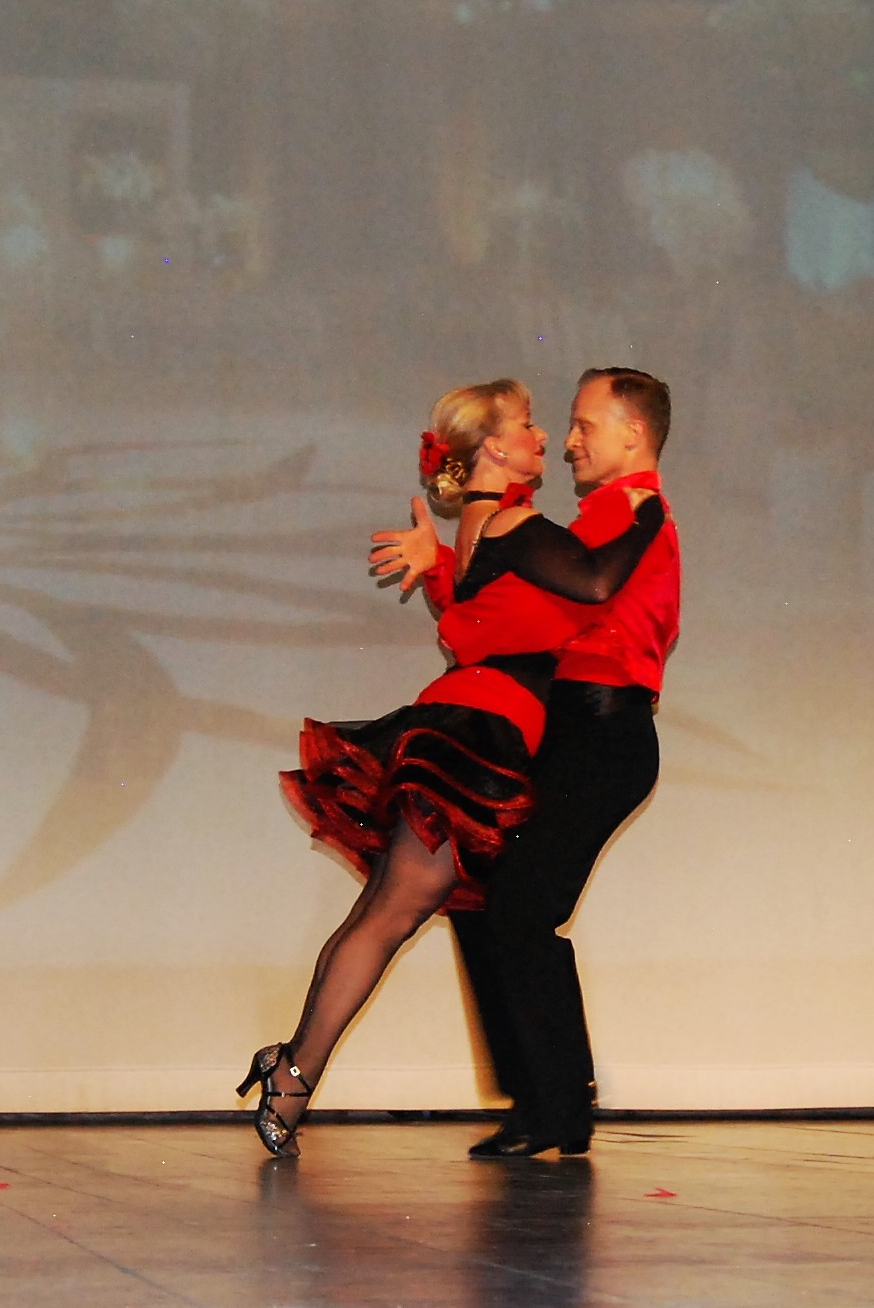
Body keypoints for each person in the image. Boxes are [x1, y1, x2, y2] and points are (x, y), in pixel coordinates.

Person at [240, 377, 665, 1158]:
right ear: (494, 446)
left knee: (409, 910)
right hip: (482, 731)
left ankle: (298, 1067)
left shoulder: (483, 521)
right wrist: (647, 513)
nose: (548, 437)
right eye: (531, 424)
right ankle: (295, 1069)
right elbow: (595, 582)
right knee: (402, 913)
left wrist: (437, 566)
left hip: (476, 723)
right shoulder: (516, 521)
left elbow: (480, 615)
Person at [373, 367, 680, 1158]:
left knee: (517, 908)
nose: (568, 441)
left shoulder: (627, 513)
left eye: (583, 424)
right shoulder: (598, 518)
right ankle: (545, 1102)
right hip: (569, 736)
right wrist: (444, 572)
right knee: (489, 903)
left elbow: (572, 595)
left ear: (632, 434)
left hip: (603, 737)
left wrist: (455, 577)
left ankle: (555, 1108)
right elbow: (498, 626)